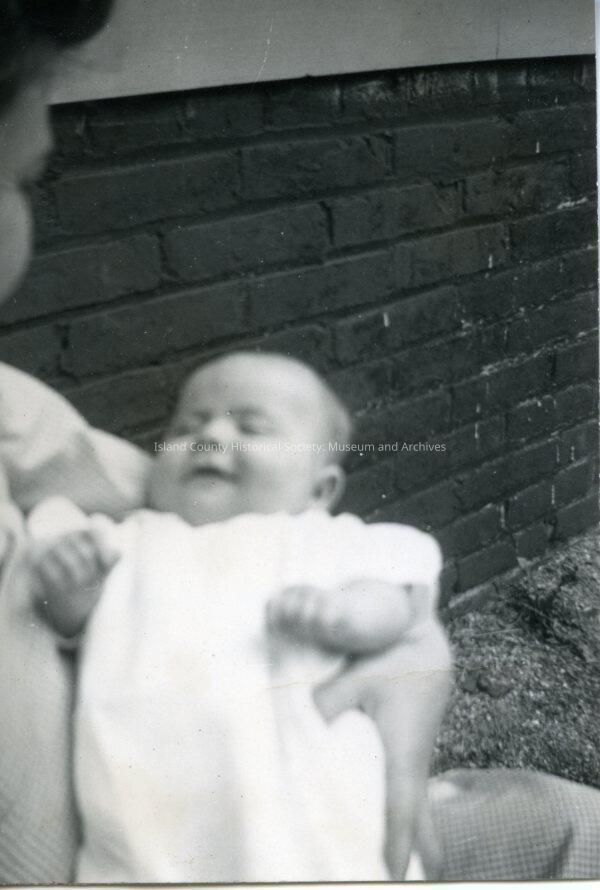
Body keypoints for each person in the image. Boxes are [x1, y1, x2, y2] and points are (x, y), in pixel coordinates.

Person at [26, 351, 449, 882]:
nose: (210, 436)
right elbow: (63, 620)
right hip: (148, 840)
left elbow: (400, 598)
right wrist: (70, 582)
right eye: (187, 427)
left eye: (251, 427)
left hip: (313, 830)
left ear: (320, 490)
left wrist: (347, 615)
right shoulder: (124, 542)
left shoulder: (324, 541)